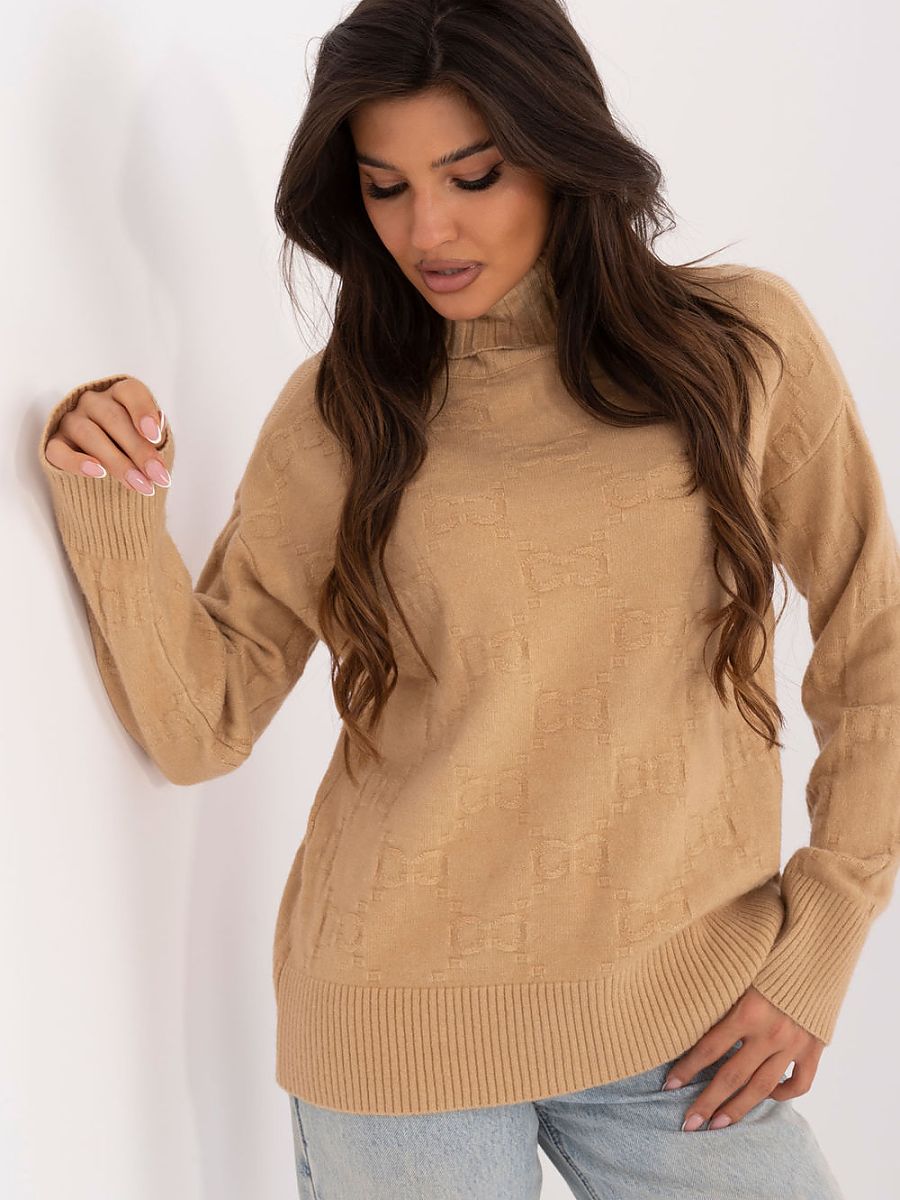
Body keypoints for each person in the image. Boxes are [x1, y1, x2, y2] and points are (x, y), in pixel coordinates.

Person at [38, 0, 899, 1196]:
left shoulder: (741, 346)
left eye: (473, 175)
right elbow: (203, 723)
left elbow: (873, 639)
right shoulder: (342, 411)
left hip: (690, 1016)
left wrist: (825, 934)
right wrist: (111, 495)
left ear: (561, 152)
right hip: (395, 1031)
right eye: (384, 187)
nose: (426, 229)